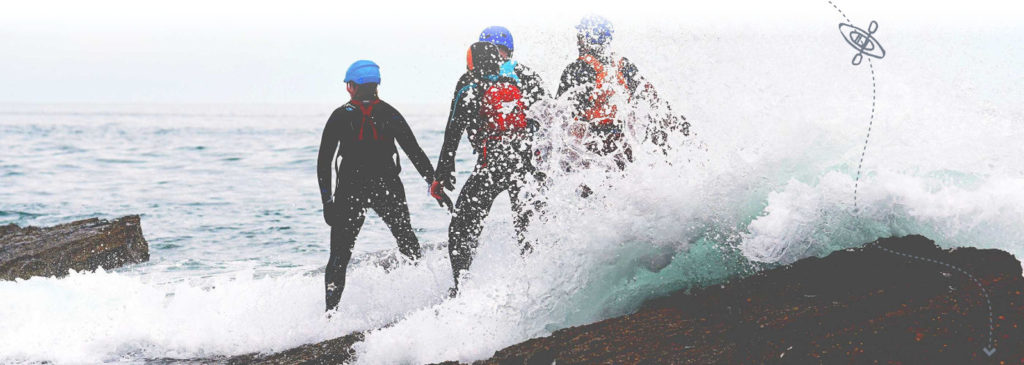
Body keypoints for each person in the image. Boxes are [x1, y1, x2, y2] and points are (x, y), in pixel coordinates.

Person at [317, 60, 439, 312]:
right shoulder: (389, 113)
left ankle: (330, 316)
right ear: (376, 85)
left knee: (339, 256)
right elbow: (414, 151)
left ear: (351, 86)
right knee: (407, 243)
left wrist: (327, 201)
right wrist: (433, 181)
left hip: (351, 190)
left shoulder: (339, 115)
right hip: (388, 188)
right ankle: (424, 304)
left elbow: (323, 162)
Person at [431, 41, 544, 296]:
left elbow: (453, 132)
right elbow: (534, 126)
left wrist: (442, 175)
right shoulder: (513, 83)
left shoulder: (470, 84)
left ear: (472, 61)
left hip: (491, 168)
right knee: (527, 228)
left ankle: (461, 289)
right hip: (523, 167)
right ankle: (538, 284)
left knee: (462, 228)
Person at [556, 16, 688, 171]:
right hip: (623, 146)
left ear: (587, 39)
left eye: (580, 37)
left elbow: (559, 115)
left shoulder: (576, 69)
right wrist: (681, 126)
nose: (577, 42)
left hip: (592, 148)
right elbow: (652, 98)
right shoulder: (623, 65)